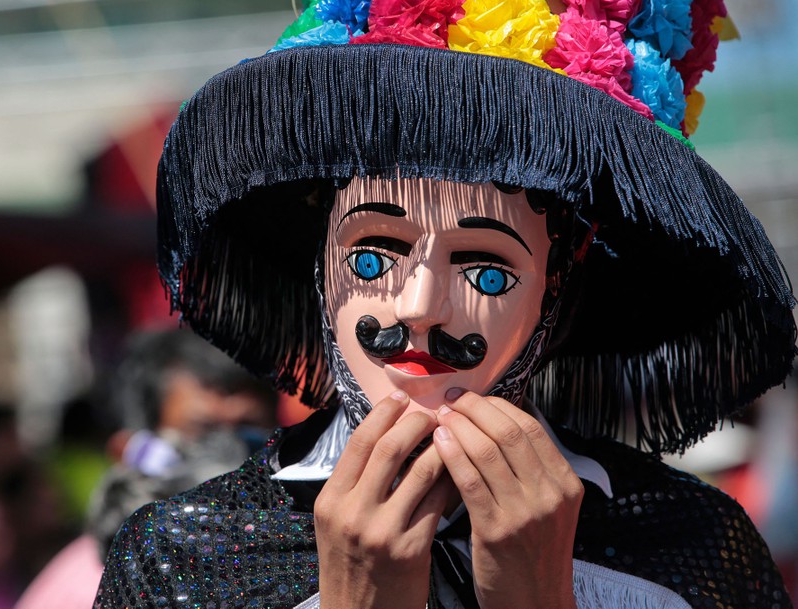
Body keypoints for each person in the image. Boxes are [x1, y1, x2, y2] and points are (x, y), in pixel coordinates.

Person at [95, 1, 797, 608]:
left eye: (485, 270)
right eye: (373, 255)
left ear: (559, 278)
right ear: (321, 257)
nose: (421, 304)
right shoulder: (188, 557)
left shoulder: (687, 547)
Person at [17, 330, 277, 609]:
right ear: (130, 451)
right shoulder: (90, 589)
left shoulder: (306, 555)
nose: (232, 455)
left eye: (249, 430)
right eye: (204, 432)